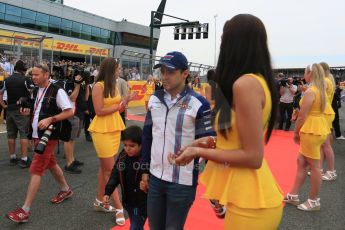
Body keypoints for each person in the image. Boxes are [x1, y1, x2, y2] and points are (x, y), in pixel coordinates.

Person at [170, 15, 283, 229]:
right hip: (247, 197)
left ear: (235, 43)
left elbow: (252, 156)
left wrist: (198, 153)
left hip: (250, 201)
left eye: (224, 39)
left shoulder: (245, 84)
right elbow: (238, 141)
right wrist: (207, 143)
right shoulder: (256, 81)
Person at [139, 51, 215, 230]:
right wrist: (144, 170)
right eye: (162, 71)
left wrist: (214, 185)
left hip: (182, 183)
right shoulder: (154, 99)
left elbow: (210, 141)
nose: (164, 77)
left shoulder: (200, 103)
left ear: (185, 73)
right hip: (155, 179)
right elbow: (147, 136)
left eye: (170, 72)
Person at [6, 63, 74, 223]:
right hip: (37, 134)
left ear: (46, 74)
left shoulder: (57, 90)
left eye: (36, 75)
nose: (33, 78)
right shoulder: (37, 90)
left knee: (36, 168)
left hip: (49, 135)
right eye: (32, 75)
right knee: (51, 163)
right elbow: (38, 108)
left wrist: (51, 118)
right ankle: (66, 189)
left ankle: (25, 210)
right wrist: (27, 110)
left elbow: (70, 111)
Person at [88, 57, 133, 226]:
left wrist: (126, 100)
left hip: (114, 128)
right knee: (110, 171)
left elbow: (119, 106)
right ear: (111, 69)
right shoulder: (98, 86)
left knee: (104, 168)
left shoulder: (114, 84)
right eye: (118, 68)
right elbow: (99, 111)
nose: (120, 71)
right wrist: (120, 106)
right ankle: (119, 207)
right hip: (102, 130)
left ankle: (99, 202)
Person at [284, 64, 329, 211]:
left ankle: (313, 201)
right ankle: (294, 195)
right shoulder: (320, 89)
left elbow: (303, 116)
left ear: (310, 74)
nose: (303, 75)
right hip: (317, 127)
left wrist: (296, 132)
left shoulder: (312, 91)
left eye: (305, 72)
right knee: (301, 161)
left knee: (315, 167)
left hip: (311, 130)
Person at [103, 126, 147, 230]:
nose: (127, 148)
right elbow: (115, 174)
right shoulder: (123, 157)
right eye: (125, 145)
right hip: (128, 201)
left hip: (141, 203)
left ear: (141, 145)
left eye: (132, 146)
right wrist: (107, 192)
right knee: (135, 223)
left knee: (135, 226)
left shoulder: (145, 159)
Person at [0, 60, 34, 168]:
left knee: (11, 135)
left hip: (9, 109)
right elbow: (32, 92)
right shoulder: (26, 79)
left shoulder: (7, 80)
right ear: (23, 70)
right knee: (23, 133)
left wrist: (3, 105)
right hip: (22, 110)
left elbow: (0, 93)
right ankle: (24, 159)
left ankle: (13, 157)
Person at [319, 62, 337, 181]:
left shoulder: (325, 81)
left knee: (325, 145)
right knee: (322, 144)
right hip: (325, 113)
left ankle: (331, 171)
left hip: (324, 113)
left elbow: (320, 97)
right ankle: (319, 168)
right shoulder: (328, 80)